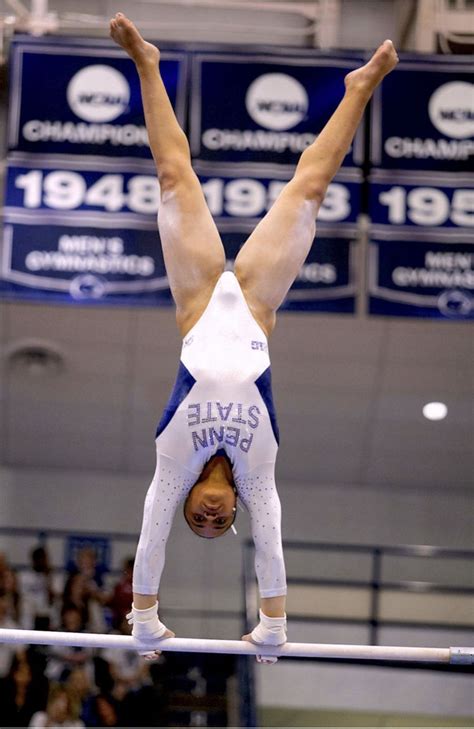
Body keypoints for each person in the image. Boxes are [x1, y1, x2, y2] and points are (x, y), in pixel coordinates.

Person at [109, 13, 398, 663]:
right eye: (220, 521)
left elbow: (150, 535)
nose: (210, 516)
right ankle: (360, 87)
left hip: (196, 299)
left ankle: (147, 64)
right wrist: (272, 626)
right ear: (234, 501)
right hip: (258, 302)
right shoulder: (257, 473)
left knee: (173, 176)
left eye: (199, 519)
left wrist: (146, 617)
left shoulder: (173, 461)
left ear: (189, 500)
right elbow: (270, 540)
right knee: (310, 188)